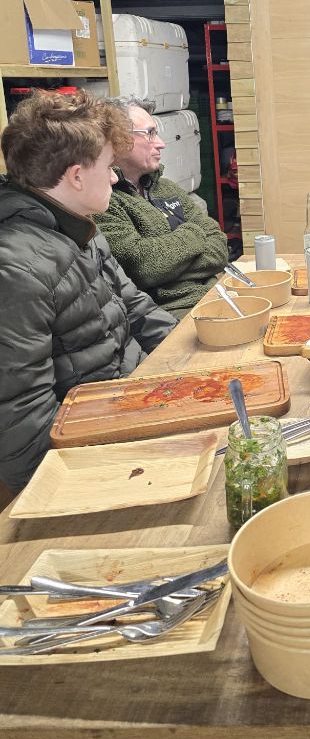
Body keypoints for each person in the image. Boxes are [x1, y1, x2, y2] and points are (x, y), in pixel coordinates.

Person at [0, 89, 177, 494]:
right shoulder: (16, 269)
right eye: (109, 167)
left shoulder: (79, 227)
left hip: (132, 403)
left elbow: (137, 310)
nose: (115, 177)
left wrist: (189, 372)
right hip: (97, 451)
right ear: (76, 176)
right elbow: (22, 427)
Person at [94, 97, 229, 318]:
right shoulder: (104, 199)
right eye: (150, 133)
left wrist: (171, 267)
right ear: (117, 139)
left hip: (216, 293)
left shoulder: (165, 188)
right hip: (167, 314)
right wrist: (194, 233)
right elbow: (144, 267)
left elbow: (219, 246)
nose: (161, 143)